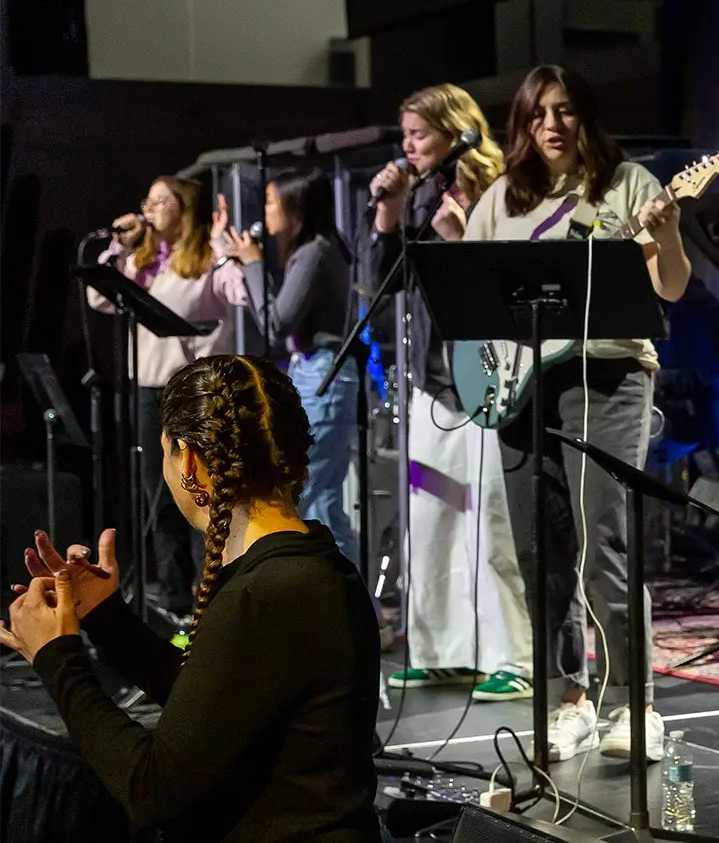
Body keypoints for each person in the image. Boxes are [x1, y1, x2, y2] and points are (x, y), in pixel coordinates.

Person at [0, 354, 380, 840]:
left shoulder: (267, 594)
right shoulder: (309, 570)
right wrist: (103, 615)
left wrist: (58, 659)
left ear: (191, 461)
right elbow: (215, 703)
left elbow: (151, 790)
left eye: (165, 452)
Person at [467, 65, 690, 762]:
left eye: (565, 111)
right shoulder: (503, 197)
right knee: (541, 551)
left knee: (605, 546)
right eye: (539, 114)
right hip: (522, 389)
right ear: (523, 127)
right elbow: (472, 295)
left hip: (610, 375)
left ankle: (635, 701)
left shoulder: (629, 187)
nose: (552, 125)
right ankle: (571, 698)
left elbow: (671, 286)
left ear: (585, 117)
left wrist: (669, 234)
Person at [367, 84, 532, 702]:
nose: (408, 146)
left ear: (454, 129)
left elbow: (502, 277)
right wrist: (387, 212)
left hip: (490, 372)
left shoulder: (497, 184)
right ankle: (442, 652)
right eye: (405, 135)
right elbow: (377, 288)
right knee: (431, 520)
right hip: (431, 380)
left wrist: (461, 238)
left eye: (419, 134)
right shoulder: (413, 196)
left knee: (494, 520)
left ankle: (514, 655)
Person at [88, 176, 252, 620]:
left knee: (203, 492)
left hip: (197, 391)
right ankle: (175, 597)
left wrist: (225, 251)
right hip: (148, 387)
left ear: (184, 207)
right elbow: (98, 298)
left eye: (161, 201)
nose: (150, 209)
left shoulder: (202, 259)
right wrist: (121, 248)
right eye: (148, 200)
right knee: (158, 493)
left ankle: (212, 593)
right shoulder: (145, 262)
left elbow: (246, 295)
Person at [229, 169, 360, 566]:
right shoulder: (312, 250)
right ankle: (351, 610)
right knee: (325, 506)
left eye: (271, 202)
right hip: (315, 373)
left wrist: (252, 265)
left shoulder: (314, 252)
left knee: (298, 496)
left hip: (325, 377)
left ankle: (337, 609)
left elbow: (276, 324)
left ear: (295, 207)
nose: (265, 211)